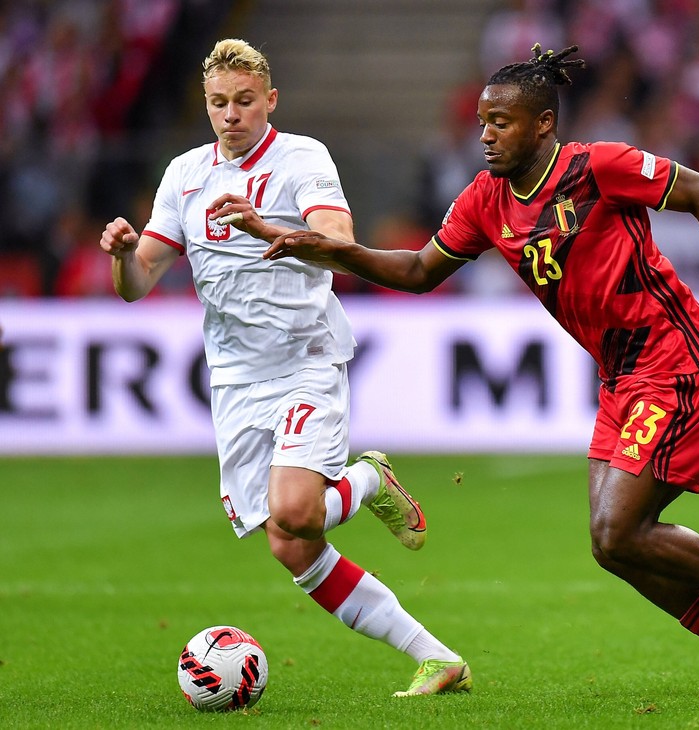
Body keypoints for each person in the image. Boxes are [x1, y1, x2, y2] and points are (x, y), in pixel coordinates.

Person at [264, 44, 699, 705]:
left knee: (620, 532)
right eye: (481, 121)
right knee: (613, 546)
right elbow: (417, 272)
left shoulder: (599, 168)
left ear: (542, 124)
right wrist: (334, 252)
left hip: (675, 359)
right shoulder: (484, 200)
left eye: (500, 121)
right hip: (620, 379)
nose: (485, 134)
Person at [98, 38, 470, 698]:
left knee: (295, 511)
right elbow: (138, 282)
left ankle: (366, 478)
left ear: (269, 99)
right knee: (291, 545)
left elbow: (340, 244)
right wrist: (123, 255)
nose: (231, 114)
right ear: (206, 104)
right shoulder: (185, 174)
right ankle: (436, 658)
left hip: (305, 360)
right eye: (218, 104)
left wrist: (265, 227)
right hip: (235, 381)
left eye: (244, 101)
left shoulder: (301, 159)